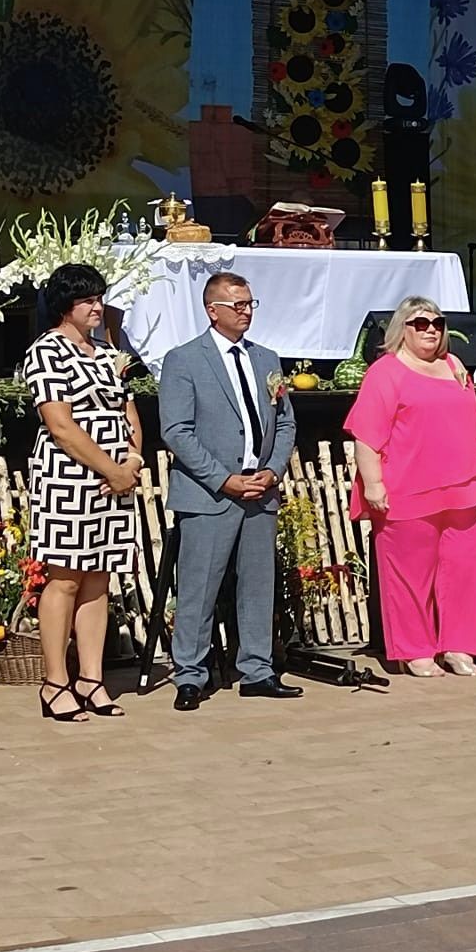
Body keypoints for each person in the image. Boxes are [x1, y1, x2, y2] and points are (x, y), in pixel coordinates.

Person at [159, 271, 302, 711]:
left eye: (250, 304)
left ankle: (257, 669)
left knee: (258, 585)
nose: (246, 312)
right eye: (237, 305)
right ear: (212, 310)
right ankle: (190, 674)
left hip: (260, 490)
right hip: (211, 494)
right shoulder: (184, 360)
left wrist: (272, 471)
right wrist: (223, 478)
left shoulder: (266, 359)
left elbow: (285, 422)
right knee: (199, 587)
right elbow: (176, 431)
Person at [22, 263, 145, 724]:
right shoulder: (46, 351)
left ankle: (92, 678)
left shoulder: (108, 351)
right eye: (88, 300)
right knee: (66, 579)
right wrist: (110, 469)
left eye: (99, 298)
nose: (98, 307)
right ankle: (55, 682)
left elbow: (128, 410)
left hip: (116, 478)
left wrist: (131, 461)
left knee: (98, 577)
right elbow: (60, 425)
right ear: (65, 306)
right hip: (68, 477)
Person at [346, 297, 476, 676]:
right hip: (407, 490)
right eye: (420, 323)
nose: (430, 329)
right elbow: (366, 434)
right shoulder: (385, 372)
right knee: (408, 576)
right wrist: (373, 484)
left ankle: (459, 647)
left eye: (437, 323)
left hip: (464, 489)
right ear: (402, 329)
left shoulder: (454, 366)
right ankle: (416, 651)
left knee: (465, 571)